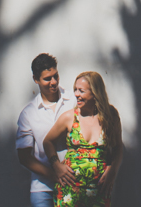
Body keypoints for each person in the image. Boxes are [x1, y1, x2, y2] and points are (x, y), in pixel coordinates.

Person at [42, 71, 124, 207]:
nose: (76, 94)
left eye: (81, 91)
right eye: (75, 89)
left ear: (95, 93)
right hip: (69, 190)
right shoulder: (69, 117)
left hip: (99, 190)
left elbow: (118, 147)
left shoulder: (110, 116)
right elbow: (48, 142)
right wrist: (56, 166)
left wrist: (113, 170)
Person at [17, 53, 77, 207]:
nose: (54, 82)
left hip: (75, 183)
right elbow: (24, 157)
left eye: (56, 76)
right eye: (47, 78)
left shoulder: (74, 101)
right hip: (43, 189)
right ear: (36, 79)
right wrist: (54, 174)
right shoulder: (28, 114)